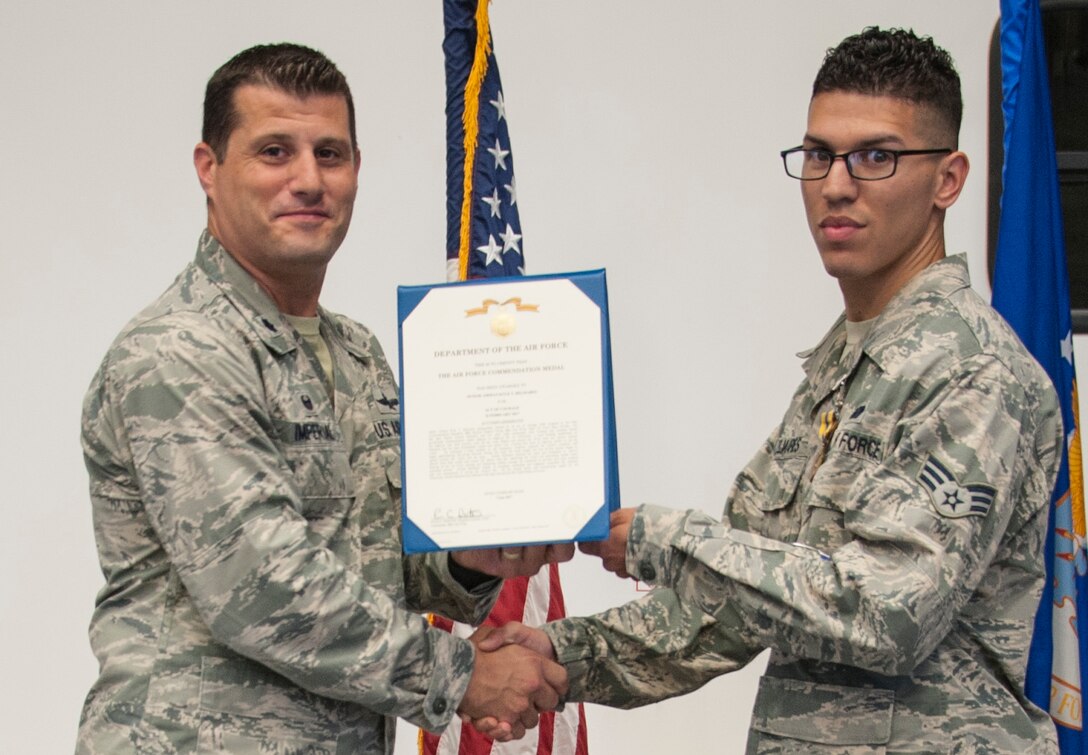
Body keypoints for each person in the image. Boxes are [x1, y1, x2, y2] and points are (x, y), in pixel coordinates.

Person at [474, 27, 1064, 753]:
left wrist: (668, 539)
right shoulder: (842, 370)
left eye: (875, 156)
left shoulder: (975, 371)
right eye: (819, 155)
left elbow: (888, 613)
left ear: (948, 178)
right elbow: (732, 610)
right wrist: (562, 652)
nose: (837, 185)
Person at [76, 42, 571, 755]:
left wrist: (472, 557)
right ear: (209, 169)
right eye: (275, 151)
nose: (308, 179)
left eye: (330, 154)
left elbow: (379, 562)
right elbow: (263, 585)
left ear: (357, 171)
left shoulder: (357, 354)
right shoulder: (178, 352)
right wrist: (464, 676)